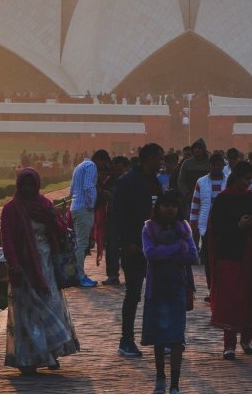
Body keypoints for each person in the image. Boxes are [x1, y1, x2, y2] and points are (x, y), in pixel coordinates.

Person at [0, 167, 80, 375]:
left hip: (46, 266)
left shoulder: (45, 205)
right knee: (29, 314)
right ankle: (29, 358)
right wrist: (13, 263)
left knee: (49, 307)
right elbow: (7, 239)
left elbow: (62, 232)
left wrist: (54, 217)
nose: (27, 189)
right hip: (24, 269)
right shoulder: (11, 209)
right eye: (23, 185)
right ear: (18, 185)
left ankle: (51, 352)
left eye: (31, 185)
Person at [207, 161, 252, 360]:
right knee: (231, 298)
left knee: (250, 295)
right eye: (245, 178)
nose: (248, 182)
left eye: (251, 179)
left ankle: (246, 339)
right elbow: (216, 228)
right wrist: (237, 226)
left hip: (250, 253)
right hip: (230, 254)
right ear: (236, 177)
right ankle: (229, 344)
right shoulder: (223, 199)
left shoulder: (251, 198)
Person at [141, 191, 198, 394]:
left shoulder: (184, 227)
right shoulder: (149, 227)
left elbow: (193, 256)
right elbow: (150, 253)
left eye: (173, 205)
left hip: (177, 289)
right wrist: (176, 248)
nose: (170, 209)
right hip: (157, 289)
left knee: (176, 338)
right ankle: (160, 376)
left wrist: (168, 250)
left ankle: (175, 383)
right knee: (159, 338)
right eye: (165, 205)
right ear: (158, 207)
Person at [113, 142, 164, 358]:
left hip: (155, 247)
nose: (161, 162)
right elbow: (119, 214)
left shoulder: (155, 182)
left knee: (158, 294)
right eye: (159, 158)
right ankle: (126, 340)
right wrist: (127, 242)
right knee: (133, 294)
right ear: (149, 158)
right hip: (135, 246)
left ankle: (159, 337)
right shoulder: (128, 181)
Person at [70, 149, 110, 288]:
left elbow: (72, 188)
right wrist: (90, 204)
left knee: (78, 244)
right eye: (103, 164)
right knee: (81, 244)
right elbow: (88, 187)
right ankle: (79, 276)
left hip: (76, 206)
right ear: (100, 159)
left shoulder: (80, 166)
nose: (102, 168)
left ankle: (78, 274)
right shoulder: (91, 166)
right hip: (84, 208)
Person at [190, 152, 227, 295]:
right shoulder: (201, 182)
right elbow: (195, 204)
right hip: (206, 226)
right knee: (209, 259)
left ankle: (221, 287)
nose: (217, 167)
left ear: (223, 166)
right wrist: (193, 225)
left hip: (225, 226)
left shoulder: (229, 181)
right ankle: (211, 288)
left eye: (220, 165)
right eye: (214, 165)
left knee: (222, 259)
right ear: (209, 166)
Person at [97, 155, 130, 285]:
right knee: (112, 247)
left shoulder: (130, 181)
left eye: (120, 169)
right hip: (112, 217)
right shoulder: (109, 181)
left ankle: (130, 274)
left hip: (128, 217)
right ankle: (112, 274)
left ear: (126, 168)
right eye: (115, 169)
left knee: (128, 247)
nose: (118, 172)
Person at [175, 139, 210, 209]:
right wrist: (187, 193)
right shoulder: (187, 163)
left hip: (206, 197)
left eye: (200, 148)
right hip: (190, 198)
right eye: (195, 148)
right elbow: (181, 181)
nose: (197, 150)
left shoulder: (209, 163)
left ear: (203, 149)